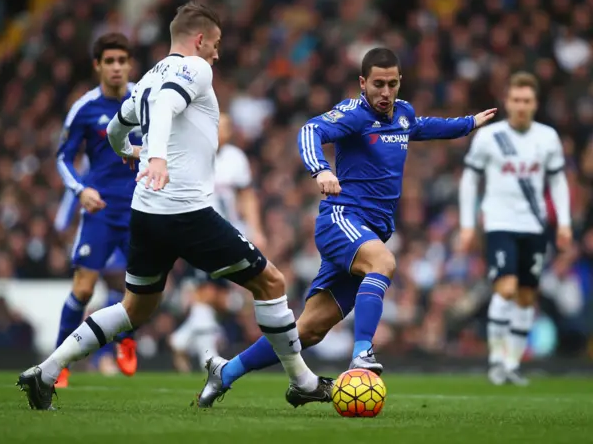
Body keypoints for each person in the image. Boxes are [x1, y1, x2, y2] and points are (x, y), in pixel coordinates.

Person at [17, 1, 330, 411]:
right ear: (199, 40)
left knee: (135, 306)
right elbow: (166, 104)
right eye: (215, 43)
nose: (217, 53)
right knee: (271, 283)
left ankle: (45, 371)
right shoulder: (196, 68)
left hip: (146, 211)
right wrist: (158, 157)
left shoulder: (145, 78)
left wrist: (128, 149)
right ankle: (303, 381)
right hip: (185, 210)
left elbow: (116, 128)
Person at [197, 47, 497, 407]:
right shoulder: (353, 114)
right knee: (383, 263)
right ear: (362, 83)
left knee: (307, 330)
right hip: (342, 219)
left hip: (369, 230)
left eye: (392, 84)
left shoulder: (402, 114)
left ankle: (225, 373)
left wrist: (468, 123)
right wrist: (321, 169)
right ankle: (362, 354)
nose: (385, 93)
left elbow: (424, 127)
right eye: (378, 84)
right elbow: (310, 130)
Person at [458, 72, 572, 386]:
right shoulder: (489, 137)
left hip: (534, 226)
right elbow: (470, 180)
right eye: (516, 100)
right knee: (505, 288)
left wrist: (564, 222)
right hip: (499, 223)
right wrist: (468, 225)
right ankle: (496, 361)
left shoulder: (547, 137)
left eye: (527, 100)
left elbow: (558, 181)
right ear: (507, 102)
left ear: (534, 104)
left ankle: (511, 364)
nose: (521, 106)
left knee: (525, 297)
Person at [52, 33, 141, 387]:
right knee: (84, 289)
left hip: (140, 208)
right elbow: (62, 158)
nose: (117, 67)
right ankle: (58, 361)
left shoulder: (144, 99)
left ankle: (126, 339)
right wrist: (80, 189)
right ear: (98, 66)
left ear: (129, 64)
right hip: (101, 209)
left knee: (140, 287)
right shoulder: (85, 108)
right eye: (110, 61)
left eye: (122, 60)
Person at [170, 113, 267, 371]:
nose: (223, 132)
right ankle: (209, 358)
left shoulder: (236, 158)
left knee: (226, 300)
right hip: (199, 236)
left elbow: (247, 196)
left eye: (226, 127)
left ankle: (182, 339)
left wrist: (255, 229)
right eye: (218, 127)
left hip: (230, 236)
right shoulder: (192, 156)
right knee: (204, 294)